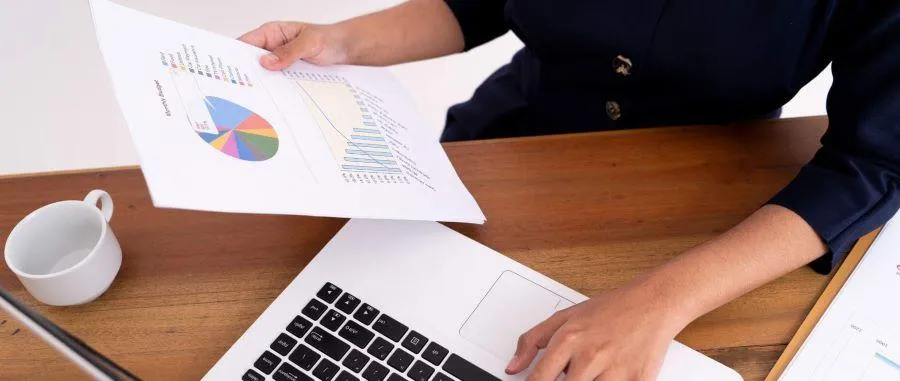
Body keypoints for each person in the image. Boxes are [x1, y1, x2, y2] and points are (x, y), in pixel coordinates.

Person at [239, 1, 900, 379]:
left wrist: (662, 301)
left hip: (703, 217)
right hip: (506, 148)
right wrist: (341, 42)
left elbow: (872, 164)